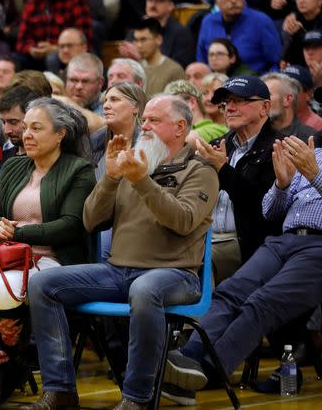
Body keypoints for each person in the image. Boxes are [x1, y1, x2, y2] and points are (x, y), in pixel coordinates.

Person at [21, 94, 219, 410]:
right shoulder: (131, 164)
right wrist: (111, 179)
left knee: (144, 290)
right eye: (145, 120)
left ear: (180, 127)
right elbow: (90, 220)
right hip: (118, 271)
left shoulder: (200, 171)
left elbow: (182, 221)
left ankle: (136, 399)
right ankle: (59, 390)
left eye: (155, 120)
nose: (146, 126)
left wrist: (141, 181)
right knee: (42, 284)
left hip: (175, 274)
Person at [0, 99, 96, 409]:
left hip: (52, 259)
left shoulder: (79, 170)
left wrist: (16, 232)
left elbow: (70, 226)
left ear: (60, 134)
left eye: (36, 128)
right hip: (5, 256)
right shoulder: (14, 164)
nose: (26, 134)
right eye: (25, 127)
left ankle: (9, 369)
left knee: (1, 288)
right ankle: (2, 363)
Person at [164, 135, 322, 404]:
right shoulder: (314, 153)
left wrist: (316, 176)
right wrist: (282, 185)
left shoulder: (312, 162)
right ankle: (186, 360)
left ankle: (208, 371)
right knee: (230, 291)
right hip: (283, 240)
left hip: (317, 247)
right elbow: (270, 211)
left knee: (263, 303)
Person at [194, 75, 281, 283]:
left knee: (200, 261)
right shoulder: (217, 145)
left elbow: (264, 208)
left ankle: (203, 317)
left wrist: (223, 170)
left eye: (239, 101)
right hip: (205, 237)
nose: (229, 108)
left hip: (246, 243)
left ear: (265, 107)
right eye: (226, 102)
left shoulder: (278, 147)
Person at [16, 0, 93, 72]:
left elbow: (85, 41)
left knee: (52, 58)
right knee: (16, 60)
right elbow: (21, 41)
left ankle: (57, 88)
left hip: (64, 53)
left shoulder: (74, 1)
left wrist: (57, 48)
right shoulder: (32, 4)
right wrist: (32, 49)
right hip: (36, 56)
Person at [196, 0, 282, 75]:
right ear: (217, 2)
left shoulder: (261, 21)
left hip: (253, 82)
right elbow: (201, 59)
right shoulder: (208, 22)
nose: (233, 0)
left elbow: (275, 61)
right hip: (216, 82)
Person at [118, 0, 195, 68]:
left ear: (171, 6)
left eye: (159, 1)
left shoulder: (181, 33)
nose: (153, 5)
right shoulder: (136, 30)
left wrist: (140, 59)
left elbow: (178, 69)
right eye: (150, 0)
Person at [91, 82, 147, 181]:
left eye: (114, 100)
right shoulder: (94, 142)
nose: (105, 106)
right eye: (105, 101)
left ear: (136, 107)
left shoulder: (149, 143)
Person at [163, 80, 228, 145]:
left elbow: (181, 142)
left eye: (173, 105)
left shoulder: (217, 129)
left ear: (192, 102)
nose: (168, 111)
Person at [133, 18, 185, 96]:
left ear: (159, 39)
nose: (139, 45)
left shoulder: (174, 70)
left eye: (143, 40)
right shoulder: (135, 68)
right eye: (136, 40)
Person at [262, 73, 316, 140]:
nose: (260, 101)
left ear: (287, 99)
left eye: (267, 95)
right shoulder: (254, 134)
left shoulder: (311, 139)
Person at [282, 0, 322, 67]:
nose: (300, 0)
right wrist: (292, 35)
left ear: (320, 0)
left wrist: (299, 34)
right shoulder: (293, 21)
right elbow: (286, 59)